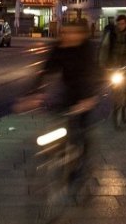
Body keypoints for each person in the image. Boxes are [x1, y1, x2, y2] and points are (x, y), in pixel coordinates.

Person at [17, 22, 101, 183]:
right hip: (67, 93)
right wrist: (32, 95)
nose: (68, 37)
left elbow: (93, 75)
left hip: (85, 94)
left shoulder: (87, 50)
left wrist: (89, 98)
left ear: (82, 35)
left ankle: (82, 164)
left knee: (81, 131)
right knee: (58, 125)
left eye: (73, 33)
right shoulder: (59, 48)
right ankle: (59, 155)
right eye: (65, 33)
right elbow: (45, 71)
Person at [100, 15, 126, 99]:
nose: (121, 26)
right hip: (113, 63)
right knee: (112, 83)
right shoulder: (112, 34)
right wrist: (102, 61)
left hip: (124, 63)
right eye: (119, 24)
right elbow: (104, 47)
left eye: (122, 24)